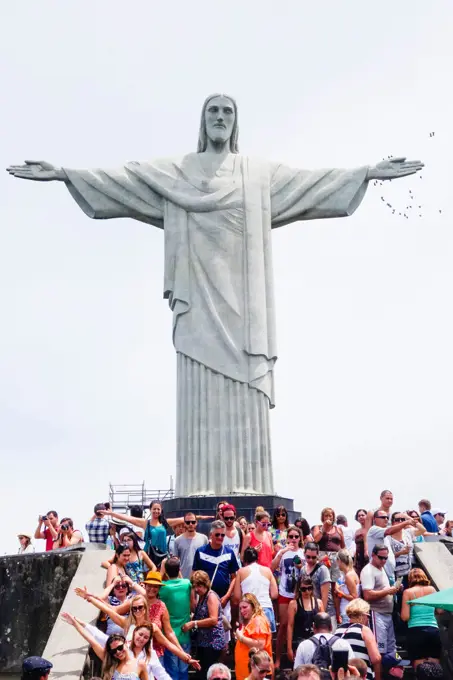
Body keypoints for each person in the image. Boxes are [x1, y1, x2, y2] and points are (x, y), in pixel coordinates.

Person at [192, 520, 240, 625]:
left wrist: (227, 596)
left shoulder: (229, 552)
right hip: (204, 598)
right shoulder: (200, 552)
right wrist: (194, 597)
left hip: (224, 600)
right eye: (217, 534)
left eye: (222, 535)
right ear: (211, 535)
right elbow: (194, 575)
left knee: (224, 630)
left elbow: (234, 577)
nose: (220, 537)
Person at [272, 525, 305, 668]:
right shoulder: (283, 552)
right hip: (285, 592)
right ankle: (278, 658)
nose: (293, 539)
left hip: (300, 592)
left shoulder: (303, 552)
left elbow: (305, 569)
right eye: (290, 536)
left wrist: (299, 564)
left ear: (300, 538)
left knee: (299, 625)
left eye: (296, 537)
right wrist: (281, 553)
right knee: (284, 625)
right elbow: (271, 568)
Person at [182, 570, 226, 678]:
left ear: (205, 584)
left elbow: (213, 619)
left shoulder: (211, 596)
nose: (197, 589)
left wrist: (194, 623)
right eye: (195, 586)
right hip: (203, 642)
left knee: (207, 673)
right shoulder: (202, 597)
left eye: (199, 586)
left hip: (213, 643)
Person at [360, 544, 400, 657]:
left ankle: (393, 670)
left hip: (387, 613)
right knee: (379, 650)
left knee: (392, 648)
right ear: (373, 555)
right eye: (381, 557)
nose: (383, 560)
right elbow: (367, 595)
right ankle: (380, 674)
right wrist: (387, 591)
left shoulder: (382, 568)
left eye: (385, 558)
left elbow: (383, 589)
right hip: (376, 613)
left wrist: (394, 589)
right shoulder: (368, 570)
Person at [401, 568, 441, 668]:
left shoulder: (408, 592)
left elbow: (405, 617)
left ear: (410, 579)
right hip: (433, 630)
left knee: (419, 666)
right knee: (434, 665)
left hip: (416, 632)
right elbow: (440, 610)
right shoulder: (432, 590)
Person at [159, 557, 192, 680]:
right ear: (179, 569)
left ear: (166, 571)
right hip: (185, 635)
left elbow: (154, 586)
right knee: (183, 670)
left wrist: (162, 571)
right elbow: (183, 580)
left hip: (170, 636)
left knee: (172, 672)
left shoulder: (163, 588)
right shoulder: (187, 584)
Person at [233, 546, 278, 632]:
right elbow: (274, 594)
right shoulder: (267, 571)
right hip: (266, 608)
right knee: (266, 642)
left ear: (245, 560)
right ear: (257, 558)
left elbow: (237, 596)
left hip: (248, 610)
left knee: (249, 642)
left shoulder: (241, 572)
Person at [313, 507, 345, 625]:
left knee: (335, 586)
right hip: (323, 557)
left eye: (330, 515)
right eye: (326, 516)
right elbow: (315, 540)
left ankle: (337, 614)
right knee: (323, 585)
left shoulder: (338, 529)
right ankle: (322, 610)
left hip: (335, 558)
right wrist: (324, 529)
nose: (328, 518)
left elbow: (342, 545)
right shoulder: (318, 527)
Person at [336, 598, 381, 680]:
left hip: (343, 676)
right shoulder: (364, 630)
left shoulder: (338, 630)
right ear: (363, 615)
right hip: (362, 675)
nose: (368, 619)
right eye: (368, 615)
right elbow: (376, 659)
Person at [234, 594, 272, 680]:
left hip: (258, 673)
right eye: (240, 608)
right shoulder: (252, 620)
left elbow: (260, 645)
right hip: (247, 673)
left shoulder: (258, 620)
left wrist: (241, 638)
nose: (242, 611)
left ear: (253, 606)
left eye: (245, 607)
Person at [287, 576, 324, 663]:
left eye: (309, 588)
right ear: (299, 589)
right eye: (303, 589)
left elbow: (323, 624)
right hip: (299, 642)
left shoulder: (318, 603)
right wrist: (289, 648)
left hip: (315, 642)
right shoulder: (293, 604)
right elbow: (290, 626)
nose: (307, 591)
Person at [300, 542, 336, 628]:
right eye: (308, 557)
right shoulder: (303, 569)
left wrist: (321, 615)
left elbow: (325, 596)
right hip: (310, 611)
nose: (311, 560)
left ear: (318, 555)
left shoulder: (323, 570)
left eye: (314, 557)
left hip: (326, 613)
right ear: (304, 554)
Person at [174, 512, 209, 578]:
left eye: (193, 522)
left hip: (200, 578)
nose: (190, 524)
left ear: (196, 523)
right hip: (183, 578)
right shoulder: (177, 540)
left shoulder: (204, 538)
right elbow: (175, 563)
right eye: (188, 522)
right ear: (184, 523)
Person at [335, 550, 360, 624]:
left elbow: (354, 597)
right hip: (348, 612)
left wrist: (339, 592)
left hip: (348, 614)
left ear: (339, 561)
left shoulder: (349, 576)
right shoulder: (349, 574)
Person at [353, 510, 368, 575]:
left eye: (363, 515)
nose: (361, 517)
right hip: (359, 558)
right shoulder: (357, 531)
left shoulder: (370, 529)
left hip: (368, 556)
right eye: (359, 516)